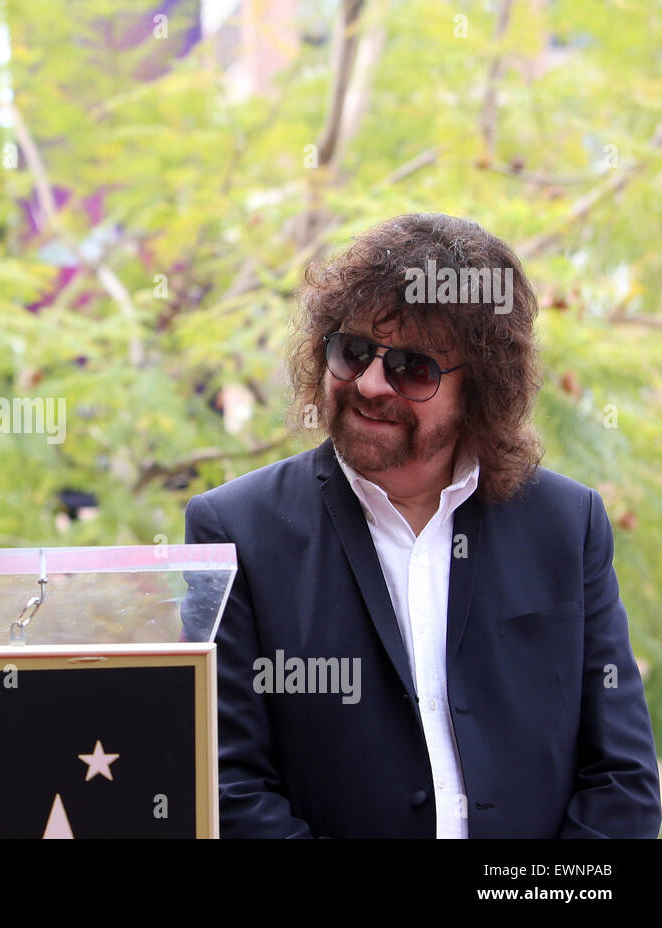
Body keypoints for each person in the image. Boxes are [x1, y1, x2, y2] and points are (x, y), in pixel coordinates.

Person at [184, 213, 661, 838]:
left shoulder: (567, 526)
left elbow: (623, 783)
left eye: (414, 368)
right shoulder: (235, 530)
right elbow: (228, 791)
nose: (371, 383)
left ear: (481, 386)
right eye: (352, 352)